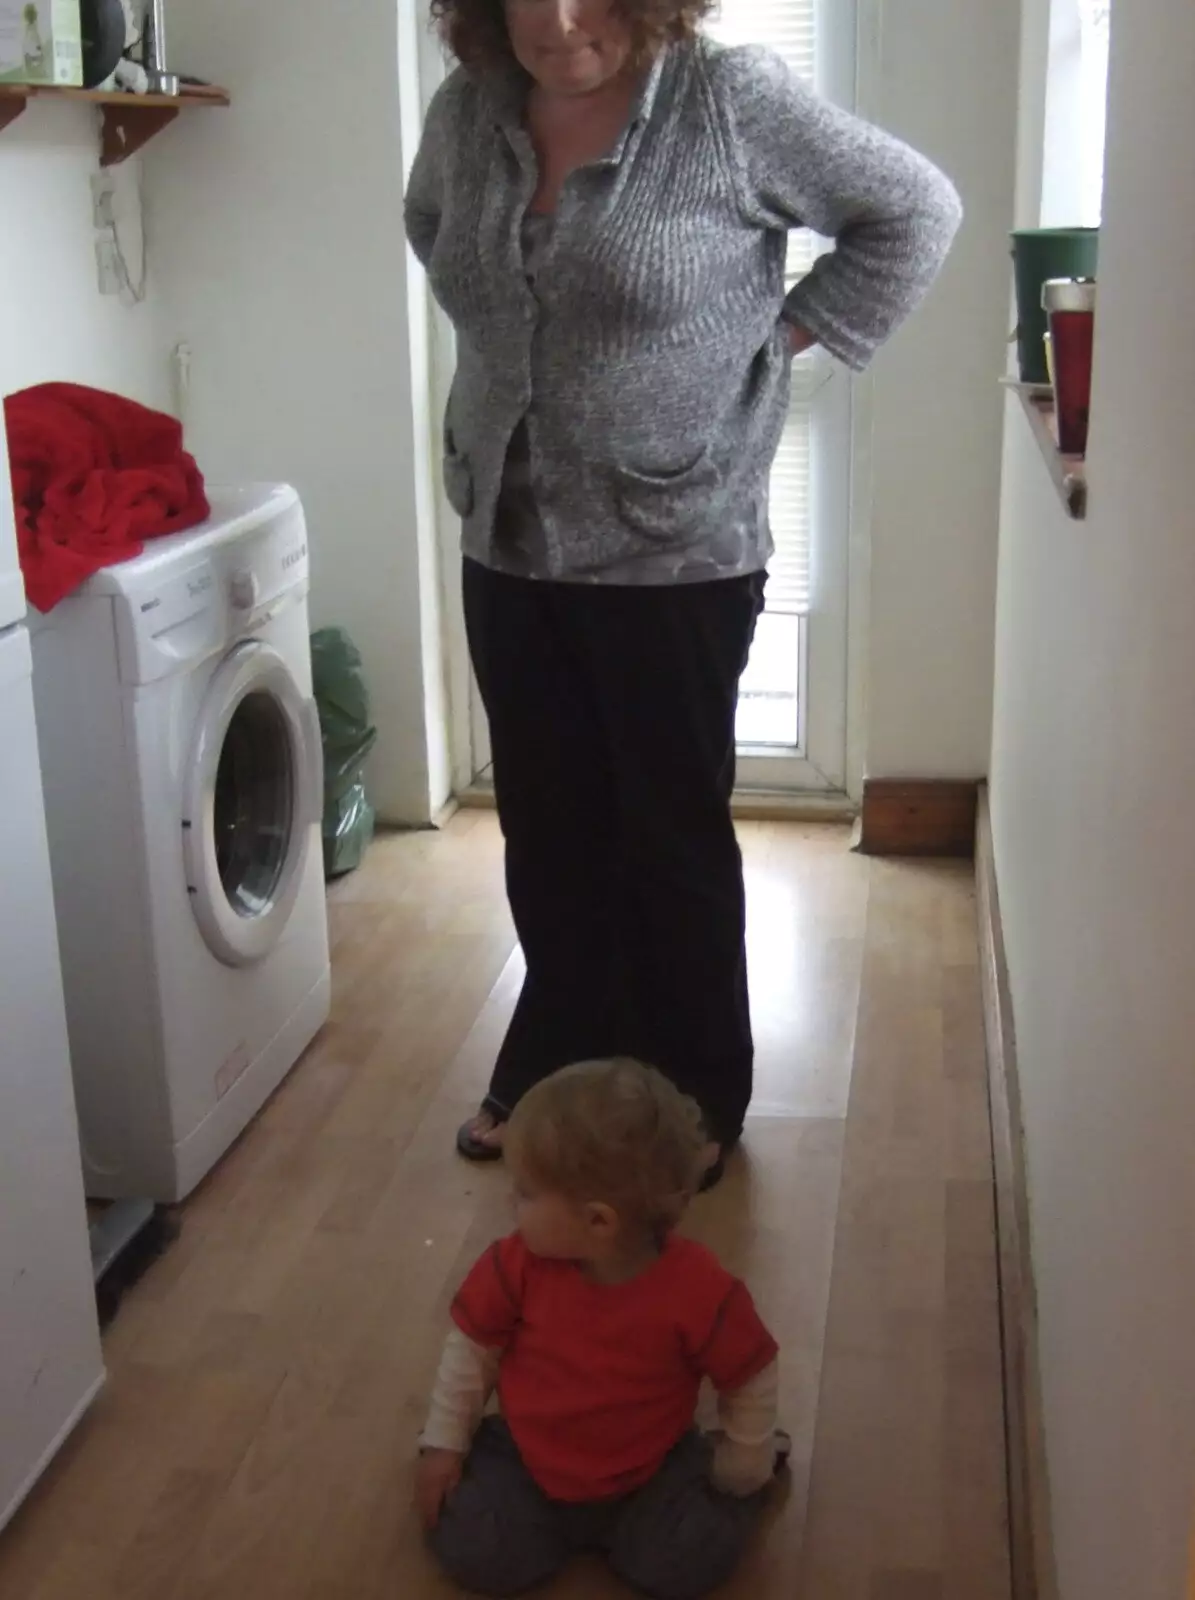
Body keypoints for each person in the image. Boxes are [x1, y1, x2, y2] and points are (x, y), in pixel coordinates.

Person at [404, 0, 962, 1178]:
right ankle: (558, 1050)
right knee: (549, 827)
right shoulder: (467, 109)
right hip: (508, 531)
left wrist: (776, 338)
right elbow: (430, 226)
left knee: (666, 833)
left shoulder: (727, 100)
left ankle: (693, 1086)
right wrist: (522, 338)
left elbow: (913, 207)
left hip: (675, 541)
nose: (556, 22)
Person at [416, 1058, 789, 1598]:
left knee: (684, 1565)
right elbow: (471, 1352)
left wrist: (745, 1464)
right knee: (476, 1551)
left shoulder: (700, 1290)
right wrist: (443, 1444)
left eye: (525, 1192)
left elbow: (750, 1372)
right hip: (527, 1458)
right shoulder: (513, 1266)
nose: (509, 1200)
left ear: (598, 1221)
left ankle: (757, 1476)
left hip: (651, 1471)